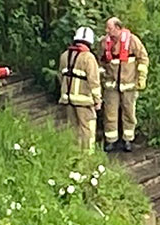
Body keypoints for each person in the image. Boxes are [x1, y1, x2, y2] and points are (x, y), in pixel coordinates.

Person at [98, 17, 149, 153]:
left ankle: (128, 139)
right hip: (111, 86)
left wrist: (142, 77)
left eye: (109, 28)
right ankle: (111, 141)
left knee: (129, 112)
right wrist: (102, 77)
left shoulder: (133, 41)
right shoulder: (104, 43)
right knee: (110, 113)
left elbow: (143, 58)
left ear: (118, 28)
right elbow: (100, 62)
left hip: (129, 85)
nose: (106, 31)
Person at [58, 26, 102, 152]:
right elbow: (94, 81)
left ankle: (74, 154)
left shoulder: (65, 56)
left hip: (68, 99)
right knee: (87, 128)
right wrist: (97, 100)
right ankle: (87, 156)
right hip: (84, 101)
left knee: (72, 128)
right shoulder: (88, 58)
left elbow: (61, 76)